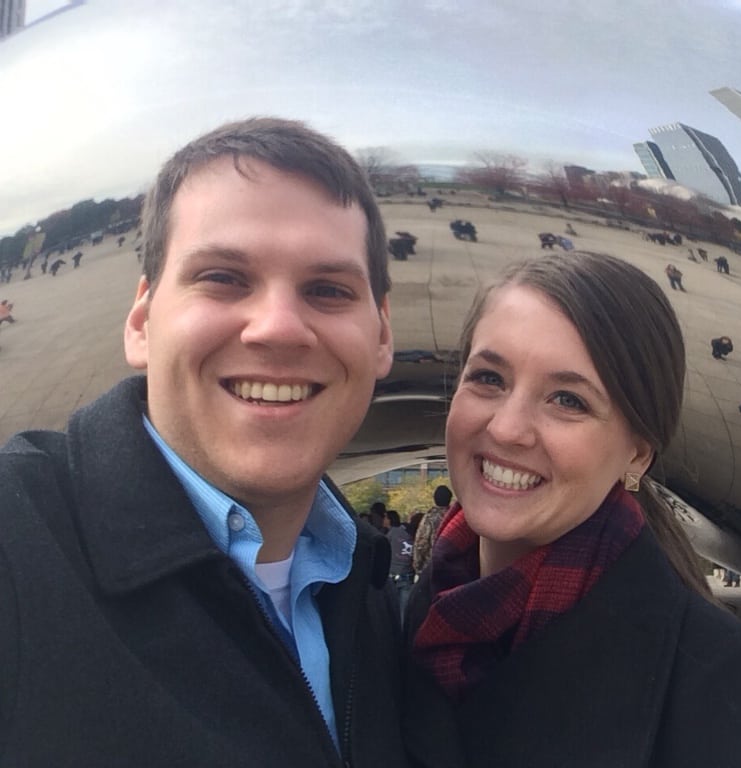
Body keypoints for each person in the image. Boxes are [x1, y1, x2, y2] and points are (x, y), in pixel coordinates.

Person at [0, 118, 408, 766]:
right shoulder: (19, 542)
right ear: (141, 322)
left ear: (382, 337)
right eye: (223, 277)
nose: (278, 327)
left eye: (328, 290)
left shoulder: (371, 586)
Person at [404, 251, 741, 767]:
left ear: (636, 455)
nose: (506, 428)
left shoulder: (723, 682)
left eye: (567, 400)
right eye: (489, 378)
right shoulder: (386, 628)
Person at [413, 484, 453, 575]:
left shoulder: (429, 517)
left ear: (434, 499)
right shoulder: (454, 516)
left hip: (432, 567)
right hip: (453, 567)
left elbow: (421, 543)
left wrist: (417, 565)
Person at [386, 509, 415, 622]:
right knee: (404, 611)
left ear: (389, 520)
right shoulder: (410, 532)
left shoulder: (392, 533)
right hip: (408, 573)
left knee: (391, 610)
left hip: (393, 574)